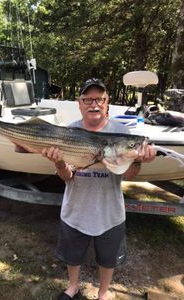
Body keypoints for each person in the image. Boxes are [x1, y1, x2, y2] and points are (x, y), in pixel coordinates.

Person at [41, 78, 156, 300]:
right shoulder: (69, 132)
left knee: (108, 258)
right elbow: (67, 177)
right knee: (72, 256)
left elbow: (128, 176)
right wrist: (58, 162)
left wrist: (138, 161)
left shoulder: (122, 133)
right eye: (88, 99)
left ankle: (103, 293)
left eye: (99, 99)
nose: (94, 104)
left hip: (109, 212)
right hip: (75, 209)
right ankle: (73, 287)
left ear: (107, 102)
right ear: (79, 102)